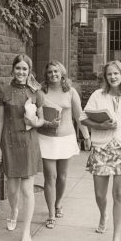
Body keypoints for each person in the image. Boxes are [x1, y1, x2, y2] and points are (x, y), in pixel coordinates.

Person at [80, 60, 121, 241]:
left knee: (119, 195)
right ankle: (103, 214)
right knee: (99, 194)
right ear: (105, 77)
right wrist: (100, 126)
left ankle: (116, 236)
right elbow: (83, 118)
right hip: (101, 149)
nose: (113, 77)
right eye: (109, 74)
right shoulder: (98, 95)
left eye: (116, 74)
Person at [0, 54, 44, 241]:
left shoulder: (36, 92)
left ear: (29, 71)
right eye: (18, 68)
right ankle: (14, 210)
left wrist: (35, 122)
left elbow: (41, 119)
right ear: (13, 69)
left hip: (29, 141)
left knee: (27, 189)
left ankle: (26, 232)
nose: (21, 72)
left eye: (25, 69)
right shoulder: (4, 91)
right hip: (9, 141)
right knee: (12, 189)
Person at [38, 60, 91, 229]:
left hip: (66, 138)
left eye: (56, 71)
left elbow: (79, 115)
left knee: (62, 176)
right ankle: (51, 214)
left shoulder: (70, 91)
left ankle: (58, 203)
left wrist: (86, 136)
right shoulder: (40, 92)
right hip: (46, 138)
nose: (53, 74)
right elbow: (34, 113)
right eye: (49, 72)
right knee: (50, 177)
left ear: (62, 73)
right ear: (46, 75)